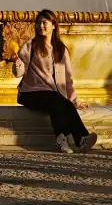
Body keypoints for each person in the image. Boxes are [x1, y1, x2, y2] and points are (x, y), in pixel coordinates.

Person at [13, 8, 98, 154]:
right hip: (30, 93)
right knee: (56, 100)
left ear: (54, 25)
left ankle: (72, 140)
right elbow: (19, 73)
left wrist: (74, 100)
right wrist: (17, 65)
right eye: (38, 23)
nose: (41, 26)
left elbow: (68, 79)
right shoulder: (30, 46)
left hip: (53, 95)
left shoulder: (61, 49)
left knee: (61, 103)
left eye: (44, 22)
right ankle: (76, 139)